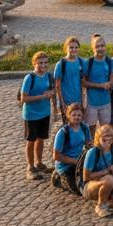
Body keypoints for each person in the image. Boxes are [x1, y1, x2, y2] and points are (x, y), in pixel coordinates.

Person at [82, 125, 113, 217]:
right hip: (91, 185)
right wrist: (106, 171)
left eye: (110, 136)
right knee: (109, 179)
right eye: (104, 136)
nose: (107, 138)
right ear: (98, 138)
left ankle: (107, 200)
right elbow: (86, 177)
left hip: (111, 183)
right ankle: (100, 206)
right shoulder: (93, 152)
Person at [19, 51, 55, 180]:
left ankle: (39, 163)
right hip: (31, 114)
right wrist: (42, 96)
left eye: (45, 62)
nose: (43, 65)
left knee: (41, 139)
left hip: (44, 113)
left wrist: (51, 93)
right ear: (34, 63)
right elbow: (24, 98)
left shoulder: (49, 76)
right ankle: (30, 166)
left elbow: (52, 89)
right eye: (40, 63)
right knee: (31, 141)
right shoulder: (30, 78)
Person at [51, 103, 91, 196]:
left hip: (79, 163)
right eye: (73, 115)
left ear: (82, 116)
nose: (76, 117)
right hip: (65, 166)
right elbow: (56, 155)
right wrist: (75, 161)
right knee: (79, 191)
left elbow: (89, 144)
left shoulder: (85, 128)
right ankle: (58, 179)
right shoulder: (63, 132)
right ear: (68, 115)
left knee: (87, 183)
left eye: (79, 115)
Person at [82, 35, 113, 128]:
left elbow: (112, 78)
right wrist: (100, 86)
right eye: (97, 46)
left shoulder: (110, 61)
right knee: (91, 129)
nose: (100, 48)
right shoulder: (88, 62)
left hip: (106, 102)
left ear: (105, 46)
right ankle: (92, 143)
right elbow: (84, 83)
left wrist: (110, 84)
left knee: (105, 129)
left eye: (102, 46)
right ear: (93, 48)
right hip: (91, 103)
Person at [52, 36, 85, 118]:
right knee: (67, 126)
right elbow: (57, 86)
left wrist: (83, 101)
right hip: (66, 102)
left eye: (76, 47)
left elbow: (83, 83)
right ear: (66, 48)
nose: (74, 49)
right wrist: (62, 103)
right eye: (71, 47)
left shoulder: (82, 62)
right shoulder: (61, 64)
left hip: (79, 102)